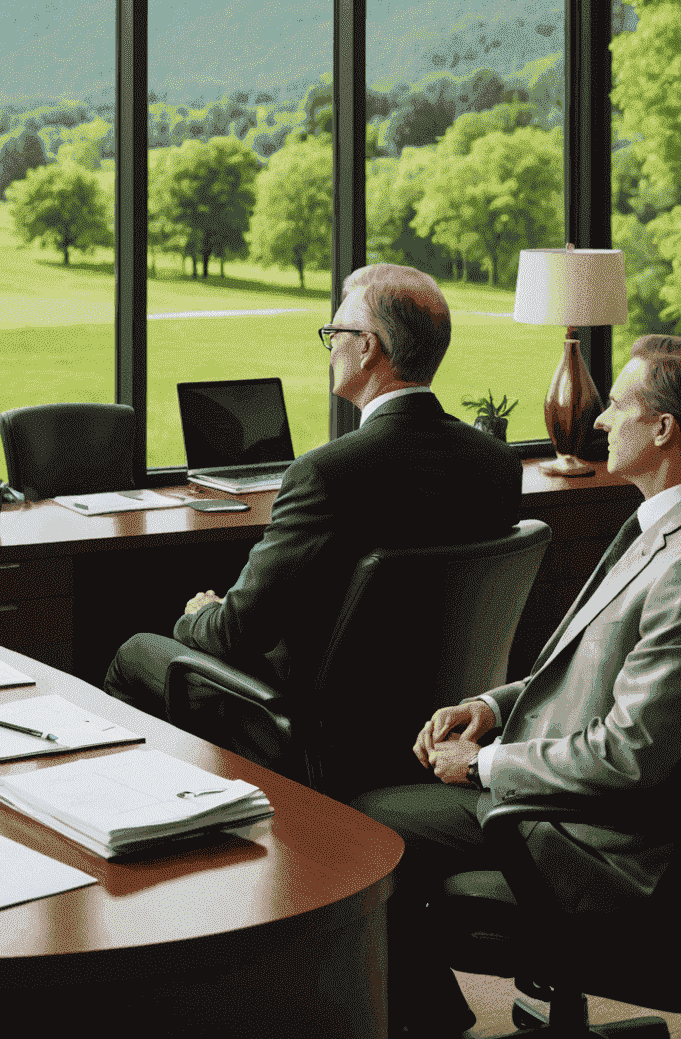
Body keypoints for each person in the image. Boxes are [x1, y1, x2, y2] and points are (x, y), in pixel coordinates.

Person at [353, 334, 681, 1039]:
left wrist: (482, 766)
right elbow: (592, 668)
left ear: (665, 429)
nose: (603, 421)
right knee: (385, 801)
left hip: (603, 843)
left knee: (369, 828)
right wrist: (490, 707)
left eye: (617, 406)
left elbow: (631, 756)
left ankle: (422, 1030)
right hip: (578, 800)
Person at [103, 263, 522, 761]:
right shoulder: (497, 463)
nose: (330, 348)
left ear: (367, 347)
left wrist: (198, 616)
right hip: (429, 717)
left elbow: (236, 634)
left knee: (134, 652)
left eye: (335, 334)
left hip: (312, 725)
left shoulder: (326, 474)